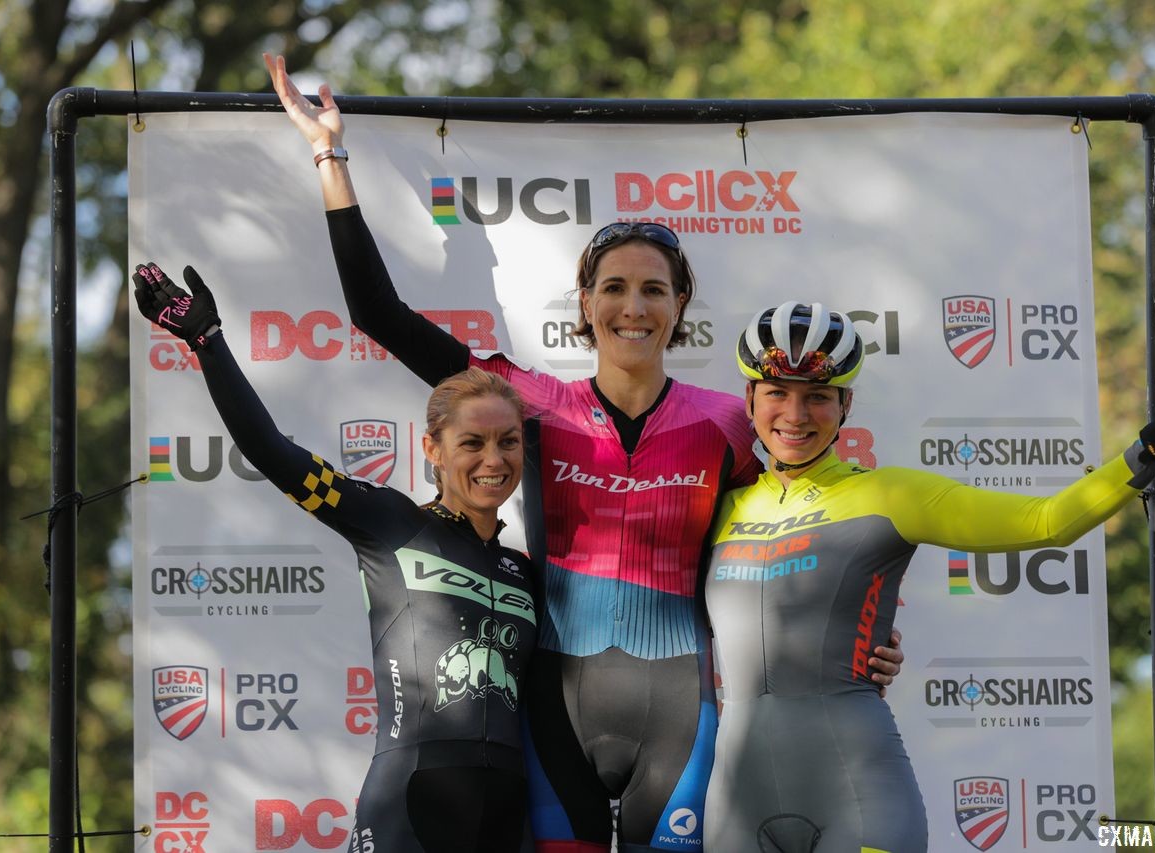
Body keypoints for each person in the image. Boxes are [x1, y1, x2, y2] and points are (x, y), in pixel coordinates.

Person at [262, 55, 905, 851]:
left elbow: (794, 542)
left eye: (653, 289)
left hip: (682, 706)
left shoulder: (731, 425)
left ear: (680, 309)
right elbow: (379, 313)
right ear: (586, 304)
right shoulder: (532, 403)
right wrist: (330, 155)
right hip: (553, 704)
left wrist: (860, 638)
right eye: (614, 287)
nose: (633, 306)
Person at [702, 301, 1155, 853]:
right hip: (735, 803)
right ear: (749, 399)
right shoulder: (718, 507)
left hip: (857, 791)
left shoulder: (890, 493)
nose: (796, 414)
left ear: (846, 404)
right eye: (777, 392)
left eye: (818, 396)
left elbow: (1046, 522)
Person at [133, 262, 539, 853]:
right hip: (411, 802)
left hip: (511, 814)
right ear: (433, 449)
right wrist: (207, 342)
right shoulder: (392, 524)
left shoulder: (525, 571)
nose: (493, 460)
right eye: (471, 443)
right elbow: (271, 451)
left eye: (508, 442)